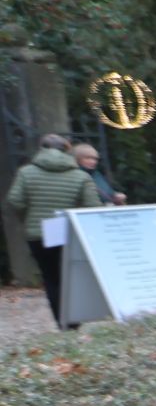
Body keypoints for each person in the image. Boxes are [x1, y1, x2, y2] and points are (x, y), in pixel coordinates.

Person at [5, 133, 103, 324]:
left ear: (41, 148)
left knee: (50, 278)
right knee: (72, 277)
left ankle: (63, 323)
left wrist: (27, 217)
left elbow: (15, 200)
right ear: (67, 150)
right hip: (69, 233)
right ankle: (76, 319)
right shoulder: (80, 176)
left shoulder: (26, 172)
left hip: (38, 233)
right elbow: (93, 207)